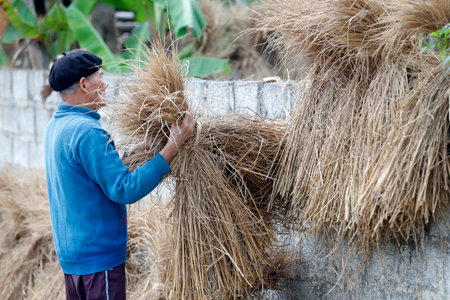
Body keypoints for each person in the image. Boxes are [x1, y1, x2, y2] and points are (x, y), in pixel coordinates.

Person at [45, 50, 195, 300]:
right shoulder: (88, 132)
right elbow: (125, 189)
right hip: (99, 260)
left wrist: (128, 155)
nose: (105, 84)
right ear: (84, 84)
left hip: (74, 259)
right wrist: (172, 147)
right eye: (100, 78)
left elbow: (86, 174)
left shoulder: (57, 126)